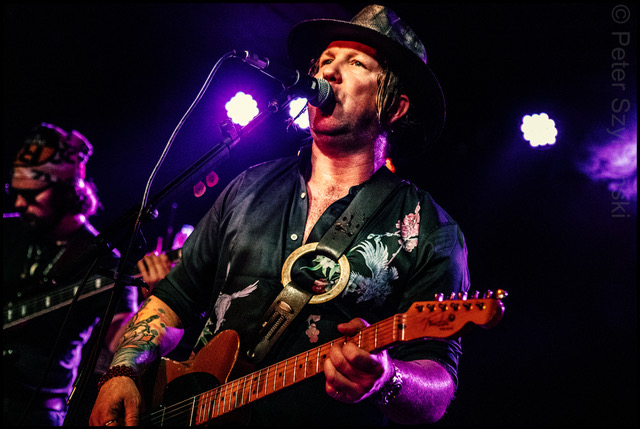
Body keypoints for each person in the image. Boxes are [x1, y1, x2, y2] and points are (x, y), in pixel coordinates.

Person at [89, 4, 470, 426]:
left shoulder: (430, 229)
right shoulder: (248, 186)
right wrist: (122, 372)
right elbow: (172, 299)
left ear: (394, 107)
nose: (328, 72)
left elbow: (438, 383)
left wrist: (387, 379)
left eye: (356, 63)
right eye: (325, 61)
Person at [2, 123, 141, 425]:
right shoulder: (10, 231)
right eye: (16, 193)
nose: (19, 203)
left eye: (32, 195)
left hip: (35, 413)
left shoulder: (103, 260)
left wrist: (152, 300)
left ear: (67, 191)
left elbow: (119, 336)